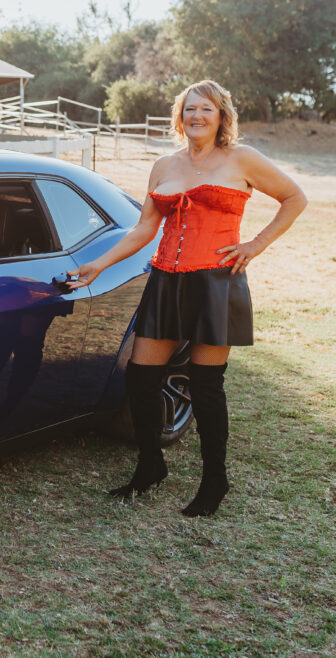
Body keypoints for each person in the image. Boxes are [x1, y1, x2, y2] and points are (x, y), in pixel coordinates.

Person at [67, 80, 307, 517]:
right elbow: (145, 229)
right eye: (190, 109)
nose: (197, 116)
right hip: (166, 279)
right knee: (141, 377)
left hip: (216, 282)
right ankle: (150, 465)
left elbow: (295, 197)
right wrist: (99, 264)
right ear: (179, 116)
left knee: (206, 386)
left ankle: (215, 480)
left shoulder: (242, 159)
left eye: (207, 110)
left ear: (221, 117)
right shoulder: (164, 165)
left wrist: (254, 244)